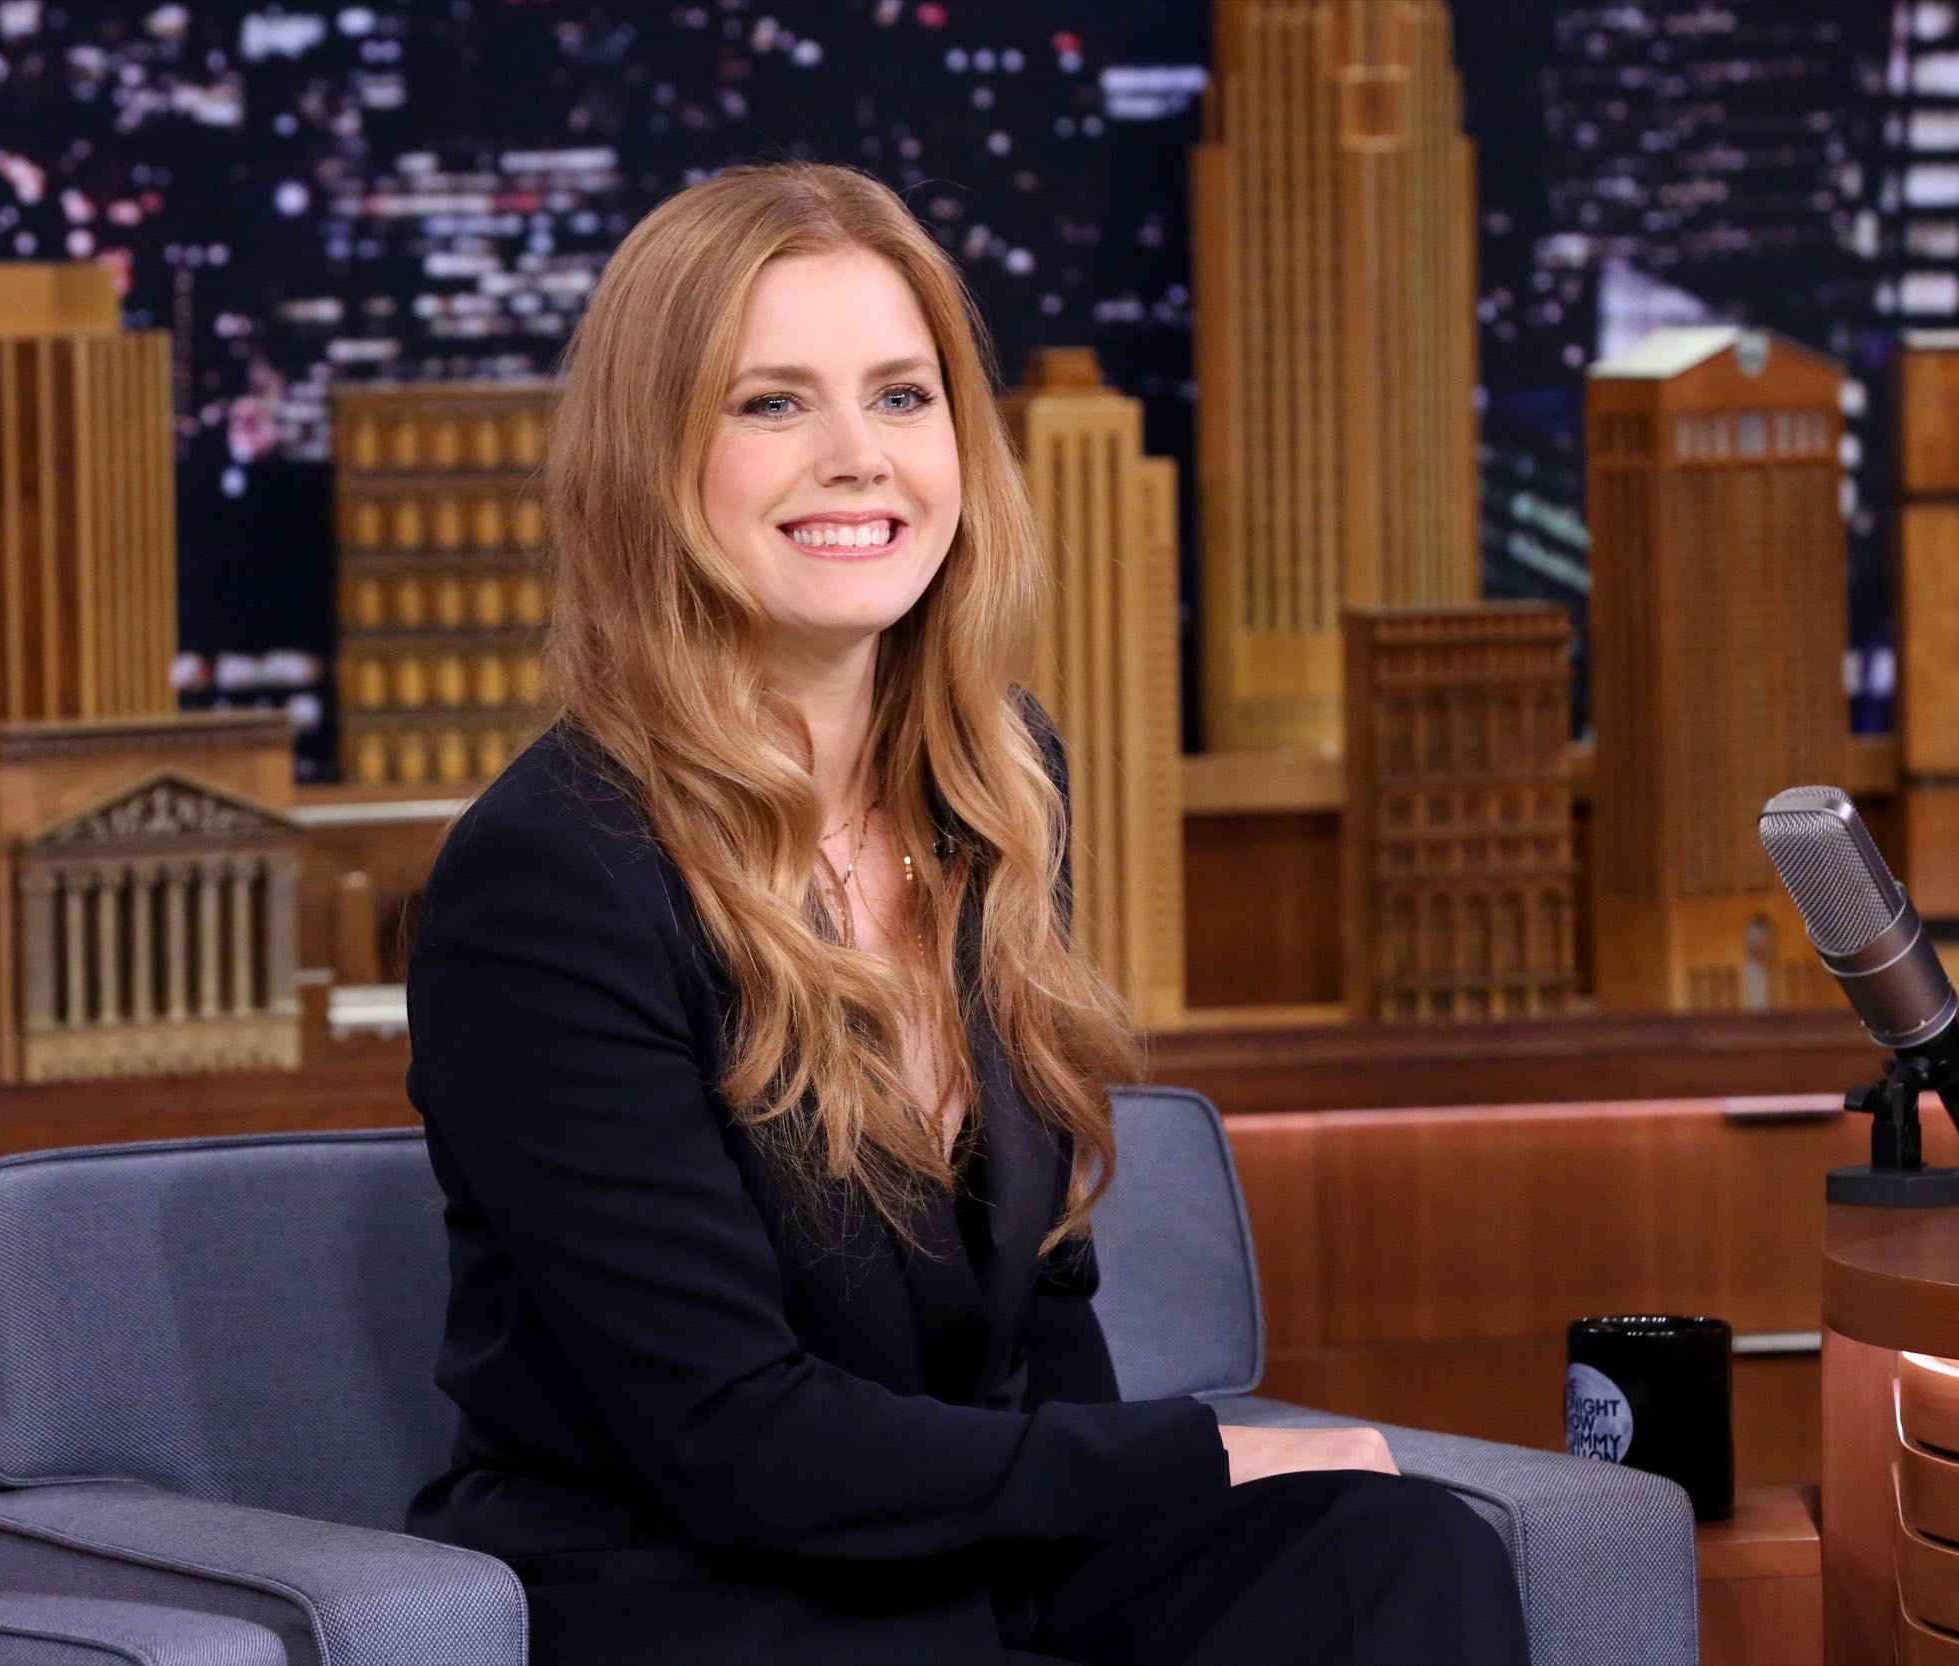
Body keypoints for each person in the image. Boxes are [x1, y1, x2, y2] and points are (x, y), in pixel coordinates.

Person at [402, 160, 1529, 1666]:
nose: (857, 458)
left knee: (1394, 1554)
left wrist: (1156, 1525)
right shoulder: (554, 873)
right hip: (699, 1585)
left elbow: (1038, 1307)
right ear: (649, 458)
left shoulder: (996, 781)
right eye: (773, 403)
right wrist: (1194, 1454)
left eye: (903, 396)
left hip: (962, 1549)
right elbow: (733, 1441)